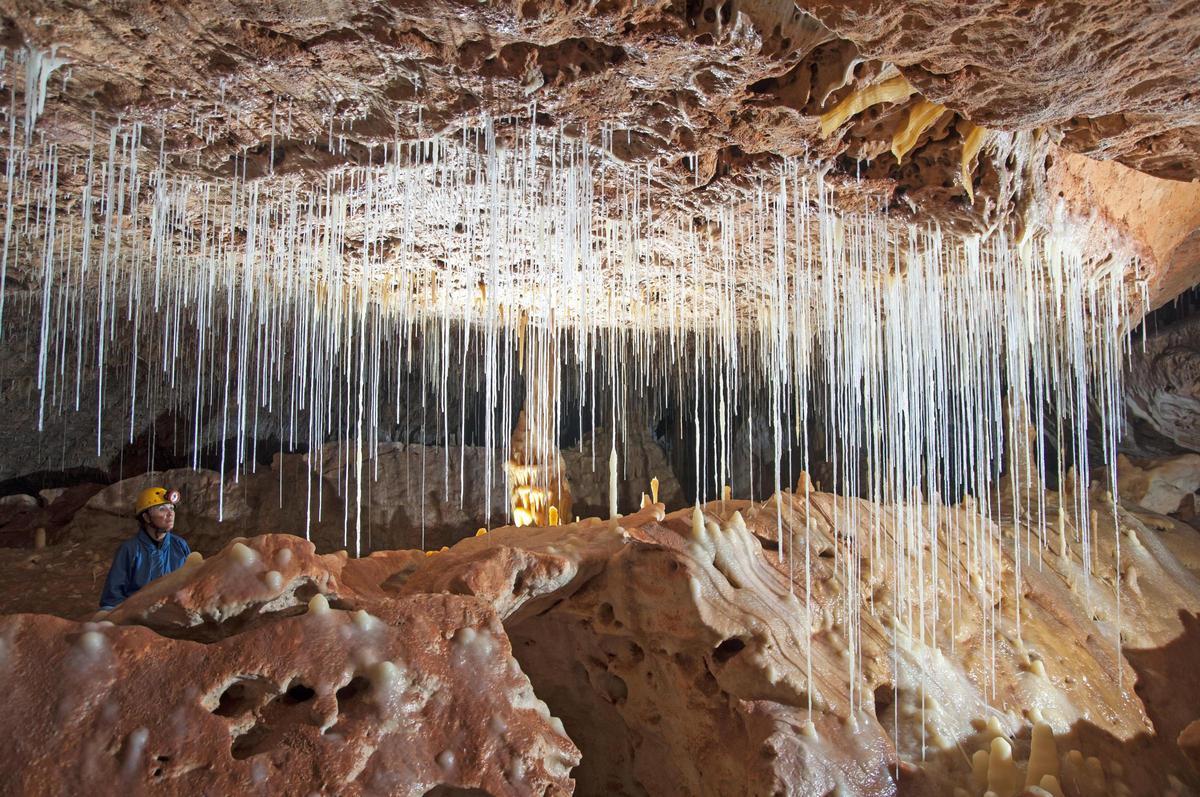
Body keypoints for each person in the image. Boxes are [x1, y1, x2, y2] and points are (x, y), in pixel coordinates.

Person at [99, 487, 191, 610]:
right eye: (162, 509)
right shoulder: (130, 550)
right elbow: (112, 598)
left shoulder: (180, 545)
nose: (170, 514)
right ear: (147, 518)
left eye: (171, 508)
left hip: (172, 615)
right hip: (137, 615)